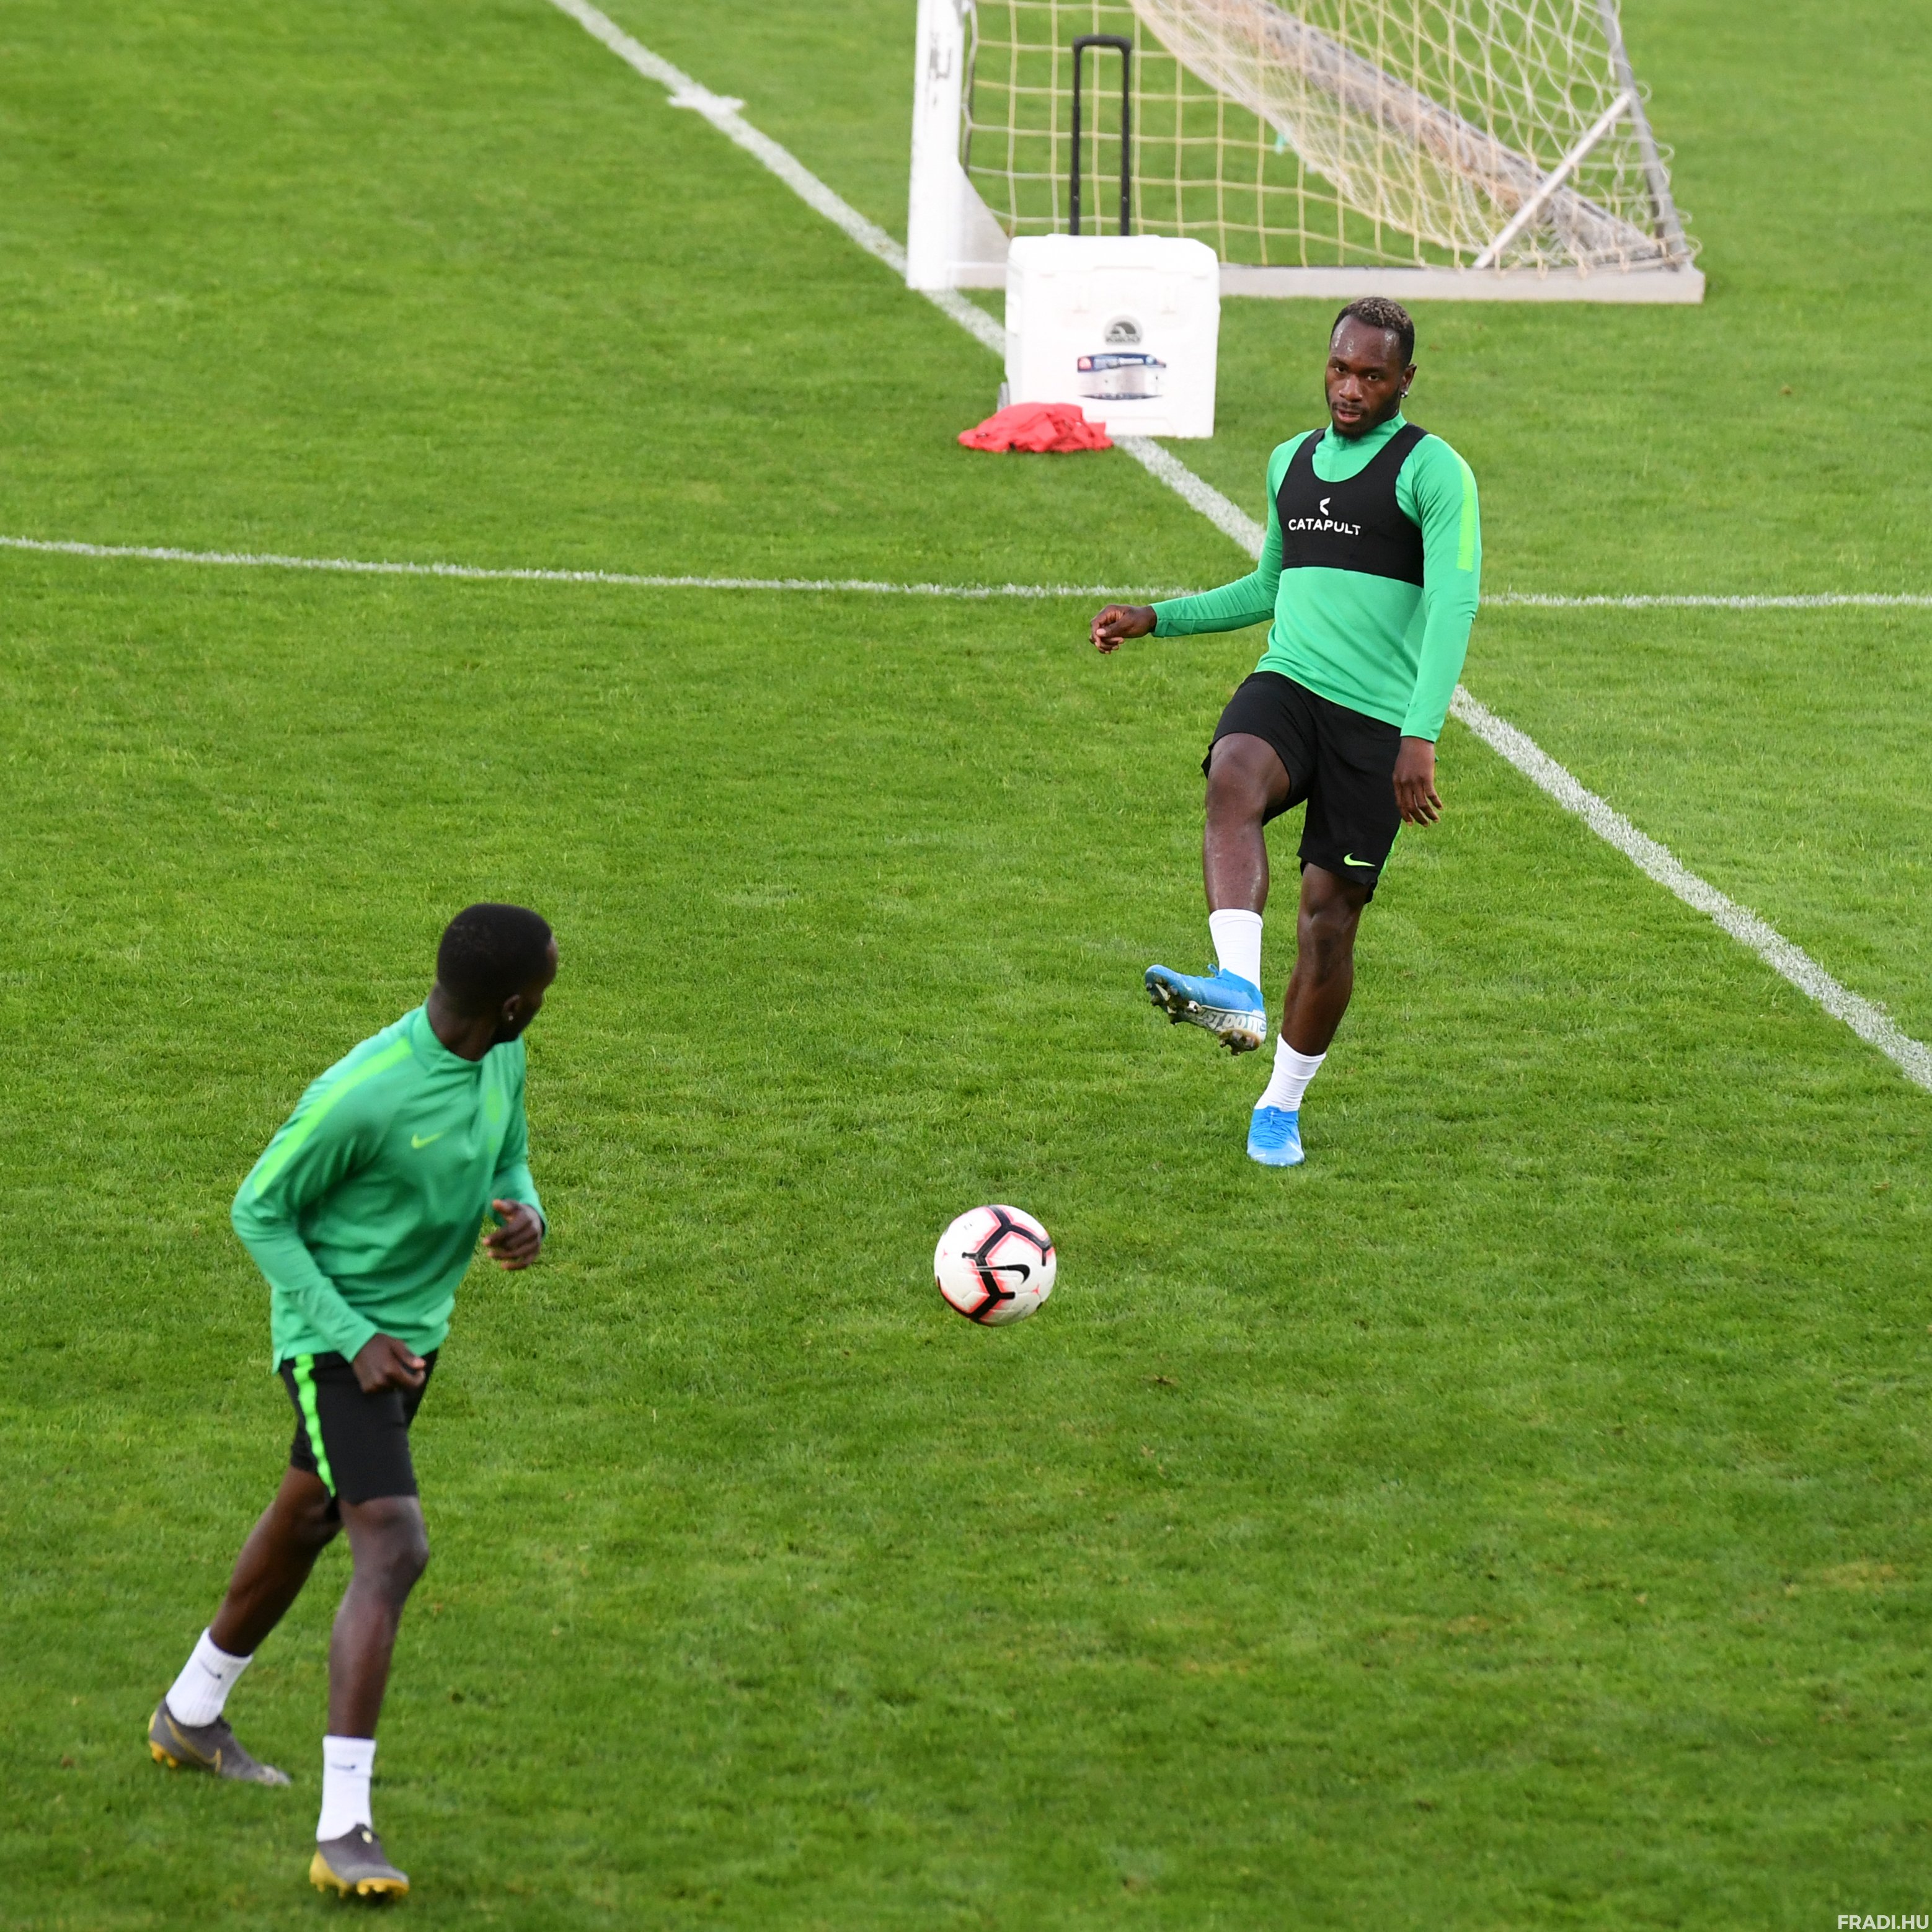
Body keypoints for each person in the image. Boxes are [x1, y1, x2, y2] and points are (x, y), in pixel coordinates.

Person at [146, 903, 558, 1898]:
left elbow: (508, 1152)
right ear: (511, 1003)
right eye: (545, 983)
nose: (550, 995)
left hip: (411, 1340)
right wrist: (350, 1337)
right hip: (339, 1345)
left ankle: (189, 1715)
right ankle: (345, 1830)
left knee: (309, 1513)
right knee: (394, 1547)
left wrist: (527, 1211)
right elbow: (258, 1210)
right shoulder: (363, 1094)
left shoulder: (501, 1056)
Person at [1091, 296, 1480, 1168]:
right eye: (1340, 368)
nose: (1350, 389)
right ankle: (1236, 983)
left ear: (1406, 381)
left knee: (1327, 925)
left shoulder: (1433, 472)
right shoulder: (1291, 461)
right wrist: (1158, 616)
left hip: (1376, 720)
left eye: (1372, 376)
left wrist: (1420, 736)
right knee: (1232, 769)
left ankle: (1281, 1104)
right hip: (1292, 685)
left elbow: (1455, 604)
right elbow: (1270, 586)